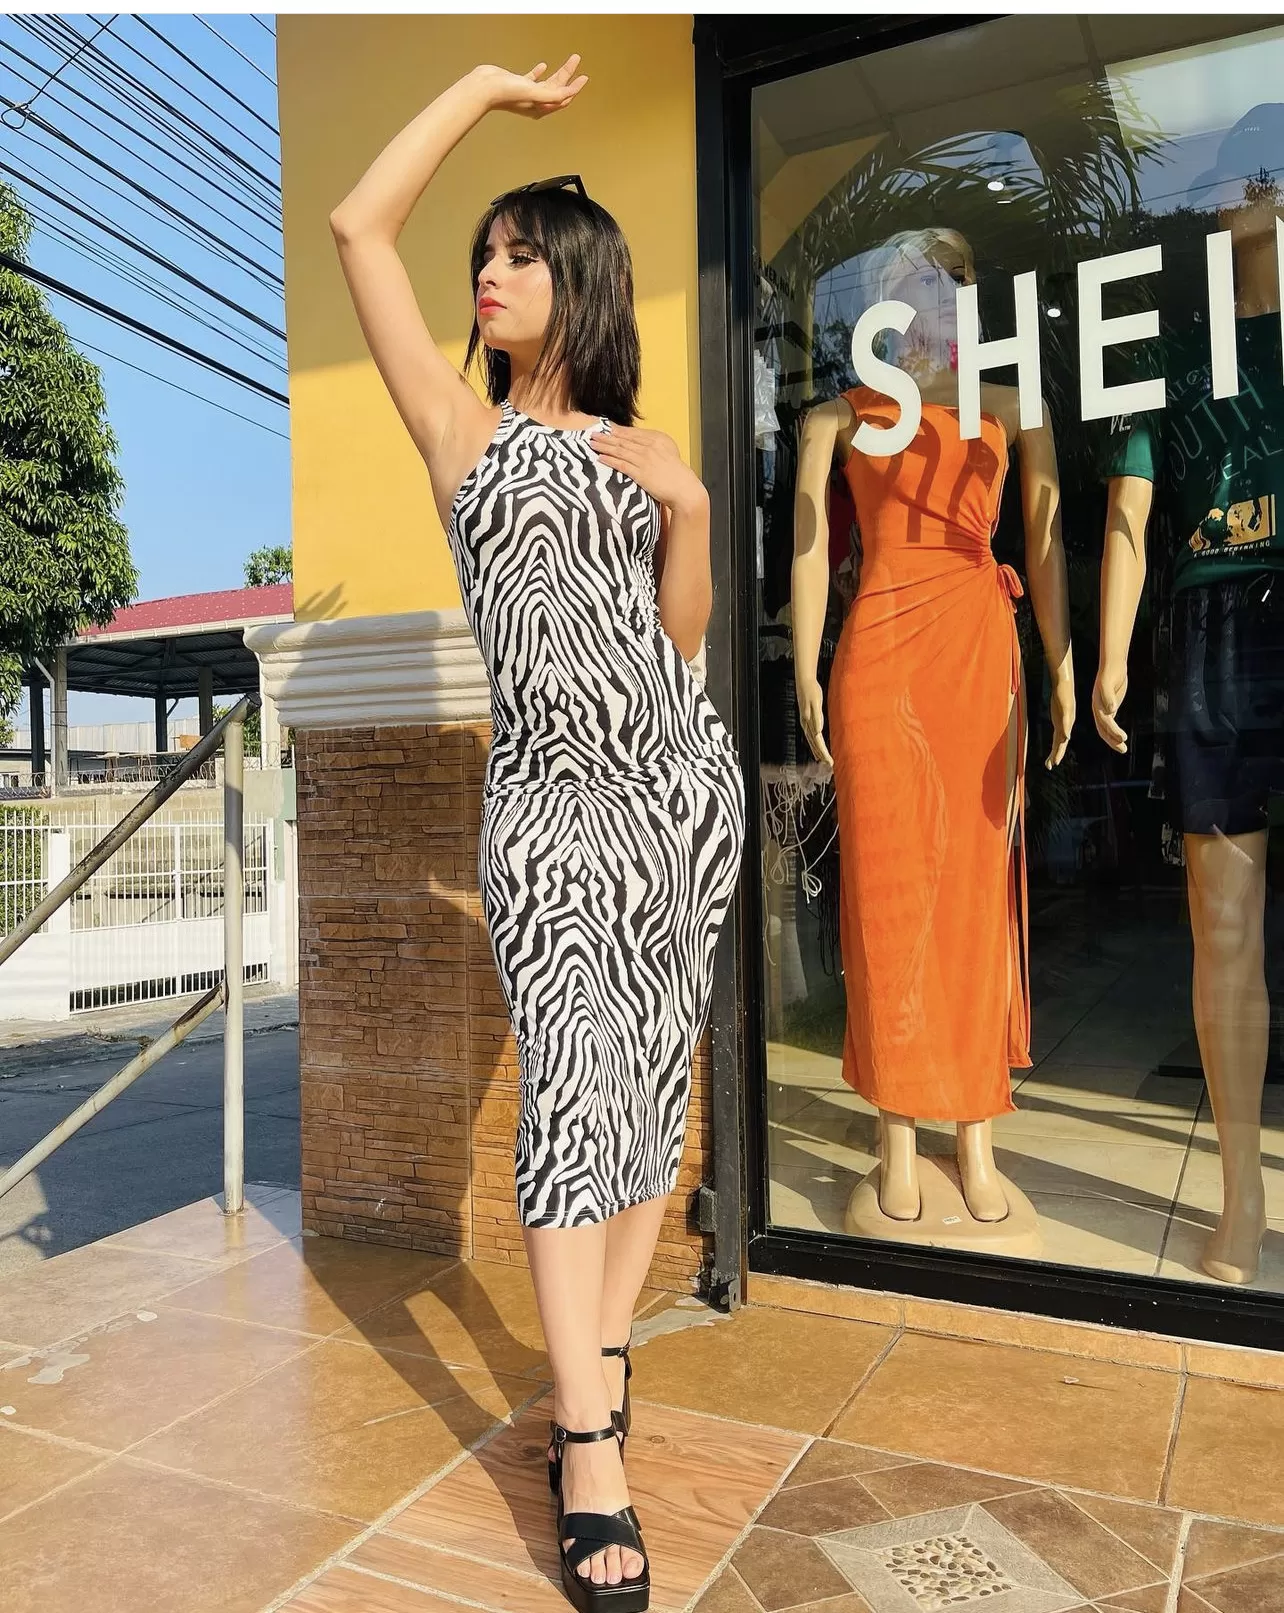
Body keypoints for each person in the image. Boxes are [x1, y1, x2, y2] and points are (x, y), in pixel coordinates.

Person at [328, 57, 746, 1612]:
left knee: (641, 1101)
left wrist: (691, 511)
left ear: (581, 282)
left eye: (518, 255)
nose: (489, 275)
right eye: (484, 257)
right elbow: (358, 227)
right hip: (553, 809)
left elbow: (681, 642)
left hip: (677, 796)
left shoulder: (637, 445)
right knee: (572, 1100)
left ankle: (605, 1358)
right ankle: (585, 1447)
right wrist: (485, 90)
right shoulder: (461, 430)